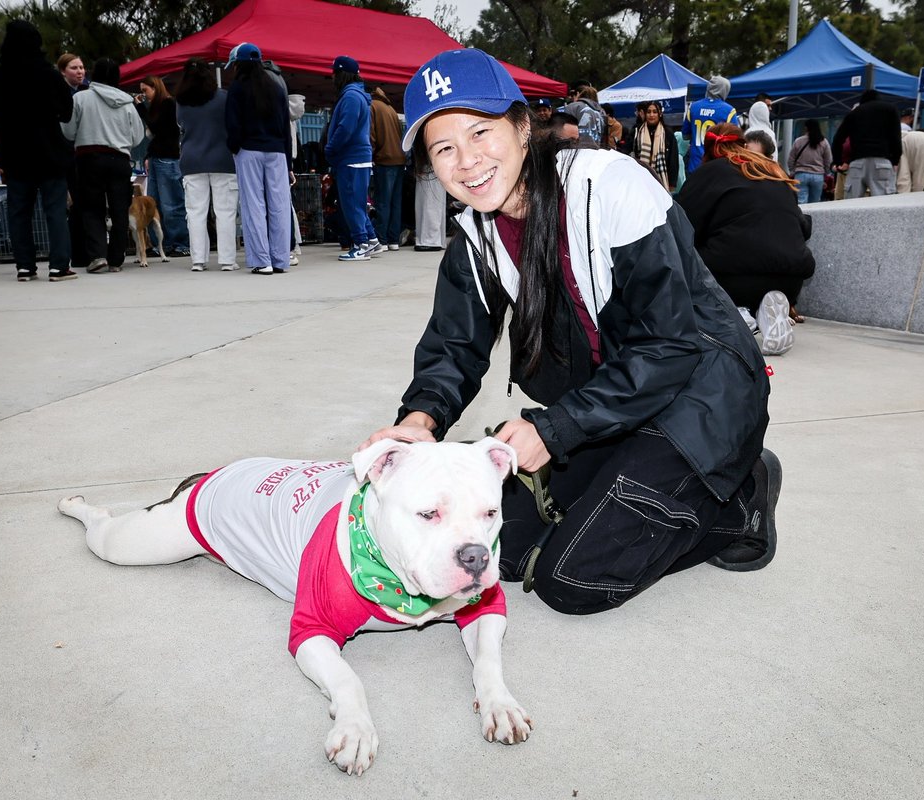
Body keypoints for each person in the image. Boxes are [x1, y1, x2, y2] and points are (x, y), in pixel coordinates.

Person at [360, 48, 779, 616]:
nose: (467, 161)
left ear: (521, 125)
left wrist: (555, 429)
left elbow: (669, 346)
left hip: (701, 395)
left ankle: (740, 501)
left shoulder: (610, 186)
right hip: (612, 407)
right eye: (444, 148)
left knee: (571, 580)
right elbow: (454, 346)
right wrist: (419, 421)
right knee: (507, 549)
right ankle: (630, 482)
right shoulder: (475, 238)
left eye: (480, 132)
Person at [676, 123, 814, 356]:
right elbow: (802, 226)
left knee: (690, 251)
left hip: (733, 277)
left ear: (708, 150)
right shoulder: (771, 170)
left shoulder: (708, 174)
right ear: (743, 143)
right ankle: (763, 311)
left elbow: (683, 226)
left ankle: (734, 313)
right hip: (790, 280)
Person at [0, 19, 76, 282]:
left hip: (16, 154)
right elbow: (67, 110)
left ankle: (25, 266)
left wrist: (2, 157)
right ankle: (59, 266)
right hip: (49, 151)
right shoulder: (48, 74)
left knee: (19, 212)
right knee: (55, 210)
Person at [60, 57, 145, 273]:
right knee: (120, 209)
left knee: (91, 208)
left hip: (88, 158)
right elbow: (138, 136)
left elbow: (68, 131)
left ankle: (98, 256)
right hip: (120, 159)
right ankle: (116, 258)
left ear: (94, 74)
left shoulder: (80, 98)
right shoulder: (126, 102)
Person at [224, 43, 294, 275]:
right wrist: (288, 161)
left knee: (253, 204)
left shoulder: (237, 88)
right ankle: (280, 259)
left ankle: (262, 261)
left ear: (238, 64)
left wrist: (234, 147)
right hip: (277, 152)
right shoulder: (276, 88)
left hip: (249, 150)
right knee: (279, 205)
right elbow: (286, 127)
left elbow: (232, 124)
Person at [176, 57, 238, 271]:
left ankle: (198, 260)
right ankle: (227, 260)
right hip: (223, 160)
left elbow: (181, 126)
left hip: (192, 161)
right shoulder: (224, 97)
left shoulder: (181, 102)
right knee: (225, 211)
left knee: (195, 212)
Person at [326, 55, 379, 262]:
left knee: (351, 205)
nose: (332, 77)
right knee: (357, 202)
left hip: (351, 158)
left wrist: (330, 149)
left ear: (341, 74)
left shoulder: (350, 97)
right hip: (358, 156)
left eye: (334, 73)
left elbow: (345, 128)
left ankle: (361, 245)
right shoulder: (357, 95)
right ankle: (371, 240)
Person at [136, 75, 190, 256]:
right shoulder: (160, 106)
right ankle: (163, 243)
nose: (144, 95)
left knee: (171, 203)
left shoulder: (168, 104)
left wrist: (141, 109)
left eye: (145, 90)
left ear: (155, 87)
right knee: (155, 203)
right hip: (157, 156)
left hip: (167, 158)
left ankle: (180, 243)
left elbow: (157, 128)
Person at [830, 89, 900, 197]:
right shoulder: (890, 110)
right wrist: (895, 160)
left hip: (857, 163)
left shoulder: (854, 113)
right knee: (883, 203)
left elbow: (838, 139)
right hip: (882, 161)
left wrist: (838, 161)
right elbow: (896, 137)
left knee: (852, 202)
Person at [57, 53, 88, 270]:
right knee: (73, 205)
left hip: (84, 153)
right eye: (74, 68)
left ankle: (85, 251)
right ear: (63, 71)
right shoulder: (61, 94)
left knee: (84, 205)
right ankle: (76, 253)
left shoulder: (86, 92)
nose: (80, 71)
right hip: (67, 155)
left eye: (82, 67)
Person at [370, 85, 407, 251]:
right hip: (399, 158)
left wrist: (371, 155)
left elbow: (371, 134)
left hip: (384, 159)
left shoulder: (373, 106)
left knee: (383, 202)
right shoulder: (390, 108)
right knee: (395, 203)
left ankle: (382, 240)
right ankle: (393, 240)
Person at [681, 75, 737, 175]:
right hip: (717, 167)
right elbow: (734, 142)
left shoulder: (693, 107)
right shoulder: (729, 111)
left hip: (695, 165)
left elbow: (685, 136)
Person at [630, 100, 678, 191]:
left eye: (655, 112)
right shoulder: (637, 131)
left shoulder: (667, 133)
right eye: (649, 112)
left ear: (660, 114)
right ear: (645, 114)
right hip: (641, 179)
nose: (651, 115)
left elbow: (673, 159)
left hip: (662, 179)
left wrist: (672, 183)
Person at [787, 119, 832, 204]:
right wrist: (827, 174)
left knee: (801, 202)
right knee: (815, 202)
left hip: (801, 174)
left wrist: (792, 171)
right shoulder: (824, 142)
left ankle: (802, 213)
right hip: (818, 176)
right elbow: (828, 160)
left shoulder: (798, 141)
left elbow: (791, 159)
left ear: (806, 128)